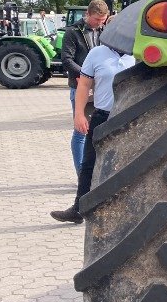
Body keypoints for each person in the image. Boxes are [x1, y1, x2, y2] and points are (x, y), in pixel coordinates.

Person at [50, 42, 135, 224]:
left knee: (126, 163)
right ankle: (79, 209)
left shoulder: (138, 55)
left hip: (130, 118)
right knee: (89, 164)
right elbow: (84, 85)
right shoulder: (97, 53)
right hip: (102, 116)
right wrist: (79, 114)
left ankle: (124, 210)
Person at [60, 0, 109, 174]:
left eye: (103, 20)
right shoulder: (73, 32)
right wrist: (86, 75)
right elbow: (66, 60)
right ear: (87, 15)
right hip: (81, 87)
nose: (100, 23)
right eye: (97, 19)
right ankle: (81, 174)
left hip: (103, 88)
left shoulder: (106, 31)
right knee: (82, 131)